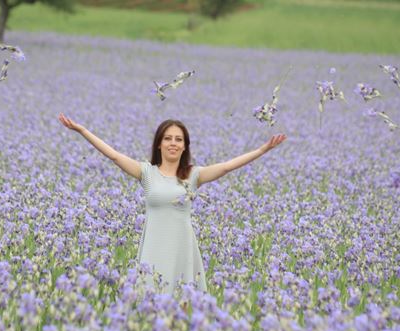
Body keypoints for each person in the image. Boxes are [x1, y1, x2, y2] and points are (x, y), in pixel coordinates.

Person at [58, 113, 286, 294]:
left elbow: (227, 166)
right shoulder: (146, 172)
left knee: (182, 304)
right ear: (159, 144)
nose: (173, 144)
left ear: (185, 146)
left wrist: (262, 150)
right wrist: (83, 131)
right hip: (154, 248)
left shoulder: (193, 175)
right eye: (168, 138)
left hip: (181, 248)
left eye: (179, 140)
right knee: (150, 299)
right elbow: (115, 156)